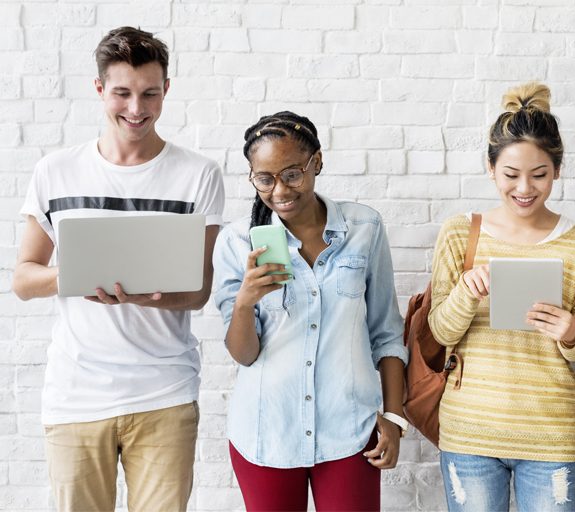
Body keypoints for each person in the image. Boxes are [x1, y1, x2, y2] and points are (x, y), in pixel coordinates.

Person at [11, 27, 224, 511]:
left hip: (164, 395)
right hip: (76, 397)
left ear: (166, 90)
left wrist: (143, 295)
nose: (136, 108)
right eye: (122, 93)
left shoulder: (198, 175)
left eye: (150, 94)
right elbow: (23, 278)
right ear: (99, 89)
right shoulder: (55, 171)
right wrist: (81, 273)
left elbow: (199, 291)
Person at [212, 111, 407, 511]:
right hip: (267, 433)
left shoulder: (364, 228)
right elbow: (244, 353)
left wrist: (394, 417)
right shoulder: (236, 241)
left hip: (349, 431)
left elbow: (386, 332)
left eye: (292, 174)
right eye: (264, 178)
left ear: (316, 162)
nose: (279, 189)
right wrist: (245, 301)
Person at [427, 82, 575, 512]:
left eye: (539, 175)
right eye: (510, 175)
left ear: (557, 171)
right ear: (491, 169)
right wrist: (465, 297)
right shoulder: (459, 233)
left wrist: (571, 331)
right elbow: (439, 330)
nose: (524, 188)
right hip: (470, 430)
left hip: (550, 432)